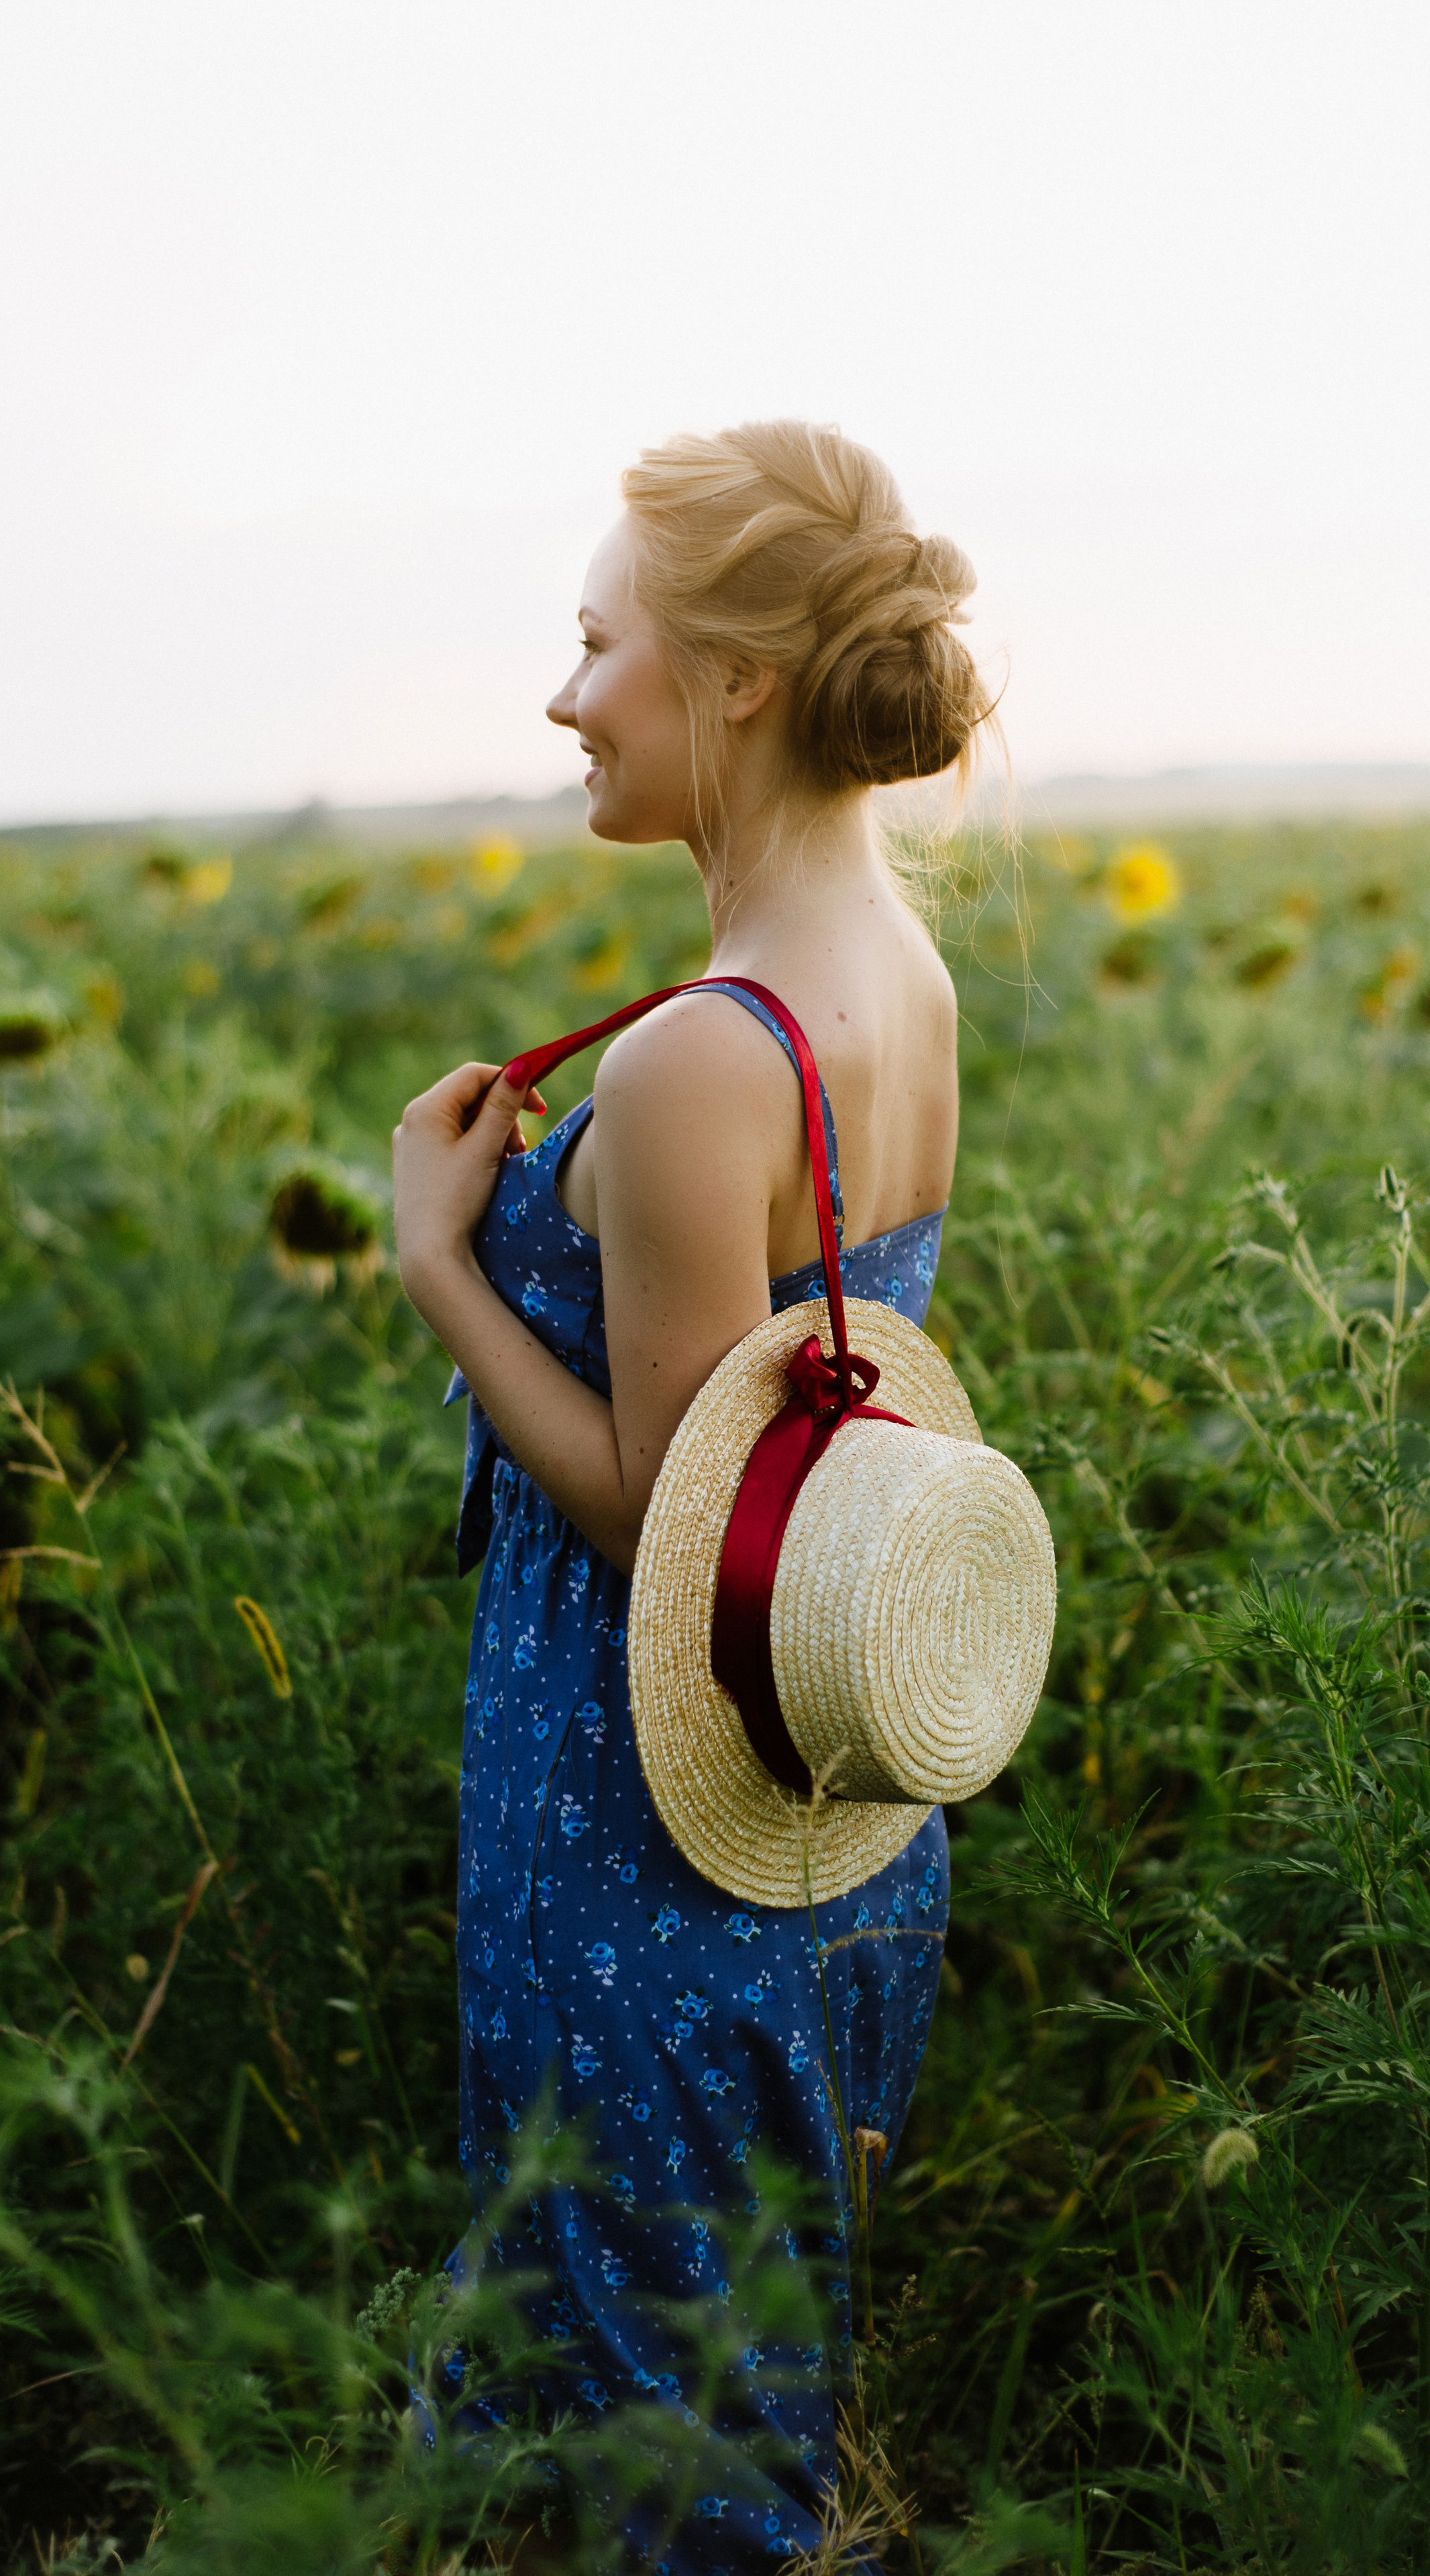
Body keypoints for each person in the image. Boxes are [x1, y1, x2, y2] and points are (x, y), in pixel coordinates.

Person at [392, 420, 994, 2573]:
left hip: (639, 1804)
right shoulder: (896, 980)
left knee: (648, 2423)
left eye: (595, 644)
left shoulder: (695, 1060)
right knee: (753, 2352)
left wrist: (442, 1263)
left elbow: (659, 1509)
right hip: (832, 1773)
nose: (565, 700)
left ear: (735, 675)